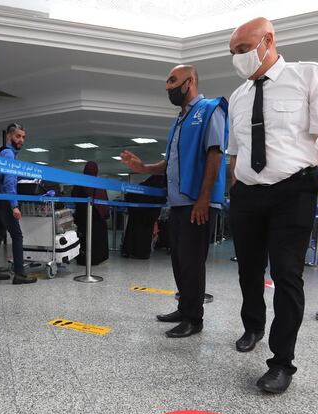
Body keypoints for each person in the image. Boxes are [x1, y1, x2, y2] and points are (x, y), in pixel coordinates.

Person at [227, 17, 318, 393]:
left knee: (286, 275)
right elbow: (236, 154)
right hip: (247, 194)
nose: (238, 59)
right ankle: (252, 326)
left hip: (293, 191)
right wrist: (234, 190)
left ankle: (281, 362)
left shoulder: (309, 75)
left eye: (242, 49)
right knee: (248, 270)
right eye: (233, 53)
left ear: (268, 40)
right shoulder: (239, 96)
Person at [121, 65, 226, 338]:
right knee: (179, 261)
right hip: (177, 203)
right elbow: (170, 163)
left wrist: (203, 199)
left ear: (189, 81)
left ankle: (195, 318)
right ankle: (184, 308)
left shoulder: (210, 109)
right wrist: (143, 167)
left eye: (172, 81)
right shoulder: (179, 120)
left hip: (197, 203)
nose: (167, 87)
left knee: (192, 263)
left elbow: (215, 155)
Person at [0, 123, 36, 284]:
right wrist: (14, 205)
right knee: (17, 236)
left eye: (23, 137)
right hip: (5, 200)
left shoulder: (3, 153)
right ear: (9, 136)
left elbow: (8, 178)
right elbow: (8, 182)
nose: (21, 140)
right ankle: (19, 274)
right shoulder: (8, 154)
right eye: (17, 136)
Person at [71, 161, 109, 266]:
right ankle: (97, 258)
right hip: (97, 217)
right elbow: (104, 201)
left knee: (84, 238)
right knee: (97, 238)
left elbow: (74, 196)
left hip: (83, 216)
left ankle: (83, 258)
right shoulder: (100, 183)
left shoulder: (80, 182)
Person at [123, 174, 166, 259]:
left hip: (135, 215)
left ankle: (128, 251)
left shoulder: (142, 185)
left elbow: (128, 196)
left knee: (132, 233)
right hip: (147, 216)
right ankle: (142, 254)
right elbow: (160, 201)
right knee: (144, 236)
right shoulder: (156, 189)